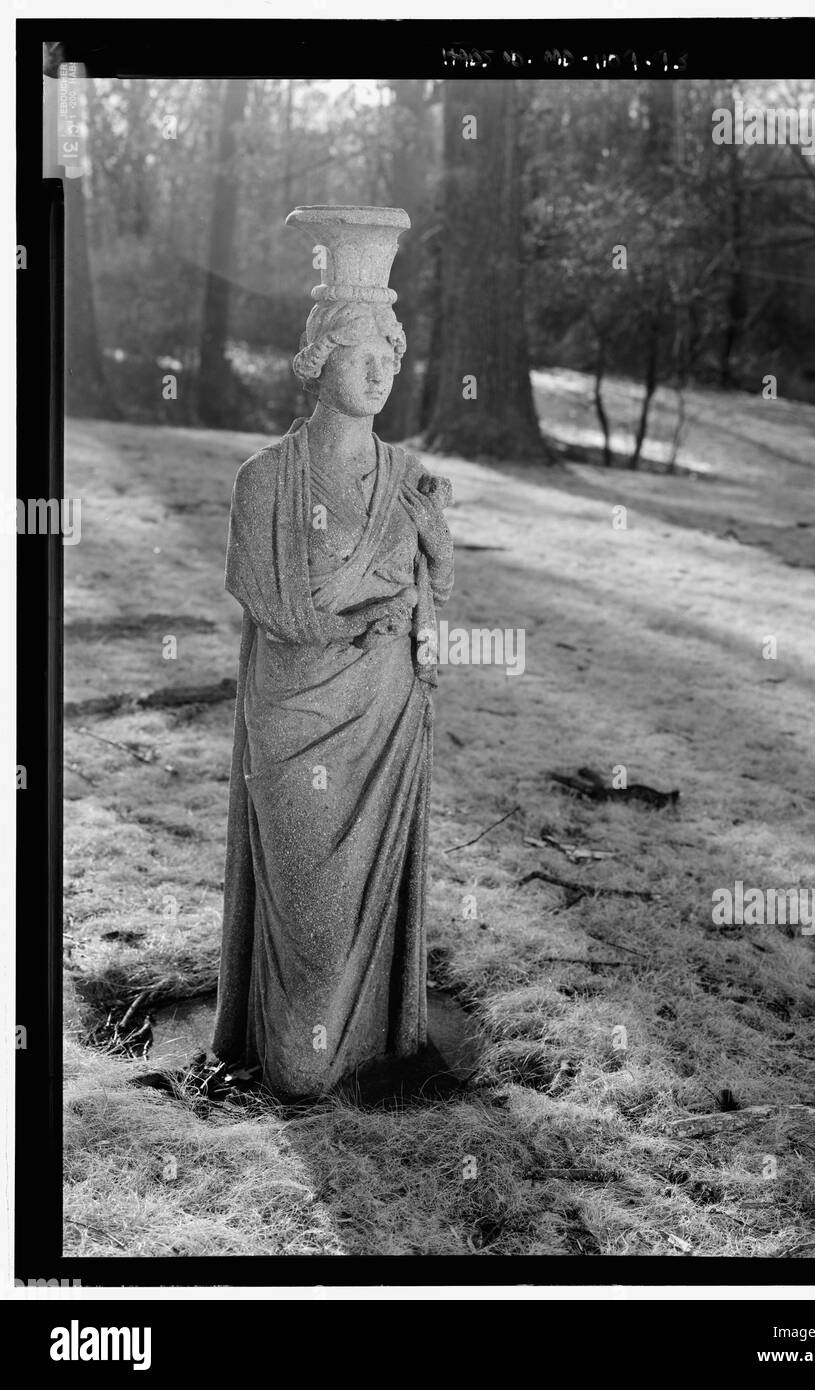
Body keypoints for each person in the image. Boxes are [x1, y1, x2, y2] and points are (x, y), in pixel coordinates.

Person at [212, 296, 454, 1099]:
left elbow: (430, 612)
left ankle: (369, 1047)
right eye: (363, 356)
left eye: (392, 354)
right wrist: (363, 618)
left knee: (360, 903)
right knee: (311, 896)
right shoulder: (264, 481)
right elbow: (271, 605)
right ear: (319, 362)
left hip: (385, 711)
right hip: (297, 716)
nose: (383, 372)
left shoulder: (410, 479)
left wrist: (437, 557)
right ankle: (297, 1057)